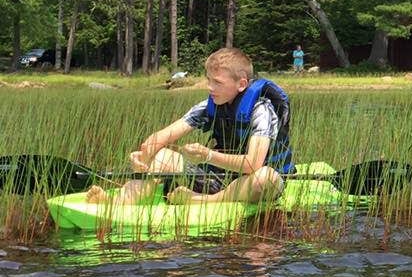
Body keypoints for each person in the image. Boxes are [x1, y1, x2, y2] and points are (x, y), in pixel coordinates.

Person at [87, 48, 295, 206]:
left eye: (217, 82)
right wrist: (144, 157)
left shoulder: (262, 110)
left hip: (256, 181)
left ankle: (202, 201)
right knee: (161, 156)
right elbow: (161, 137)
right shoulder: (209, 105)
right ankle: (117, 205)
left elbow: (253, 164)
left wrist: (208, 156)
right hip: (219, 177)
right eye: (208, 80)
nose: (209, 87)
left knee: (264, 178)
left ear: (241, 84)